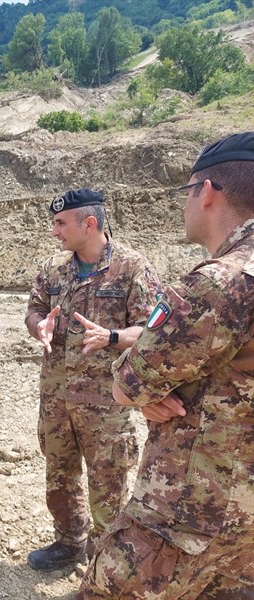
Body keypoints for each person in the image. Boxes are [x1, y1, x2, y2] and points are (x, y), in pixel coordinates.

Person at [79, 132, 254, 598]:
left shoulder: (221, 284)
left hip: (192, 513)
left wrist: (142, 384)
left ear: (209, 192)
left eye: (188, 192)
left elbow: (128, 384)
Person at [24, 188, 161, 571]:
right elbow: (33, 310)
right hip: (56, 397)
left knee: (108, 485)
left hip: (106, 403)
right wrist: (40, 326)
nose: (54, 231)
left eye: (60, 223)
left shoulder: (133, 267)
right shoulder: (53, 268)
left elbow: (154, 330)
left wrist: (112, 337)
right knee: (60, 475)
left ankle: (104, 564)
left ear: (90, 223)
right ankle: (68, 541)